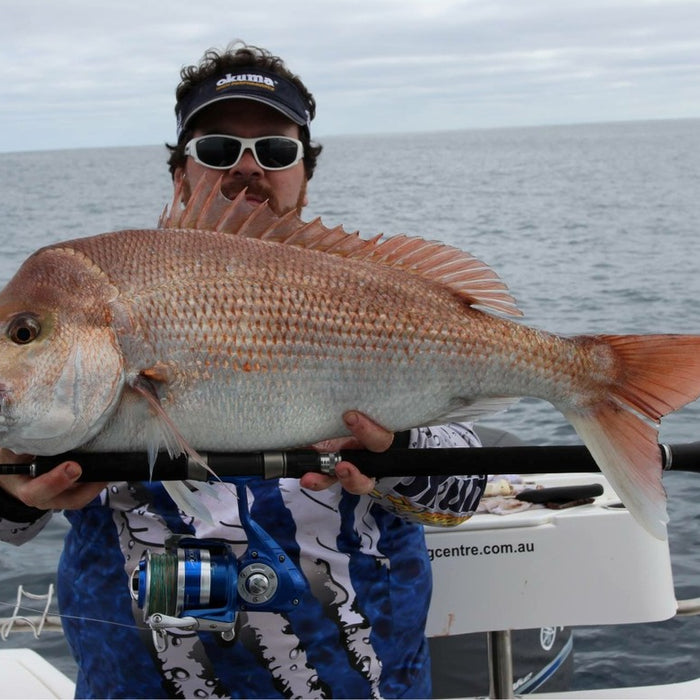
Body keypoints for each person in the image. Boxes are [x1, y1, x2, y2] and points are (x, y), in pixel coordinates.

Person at [0, 42, 485, 699]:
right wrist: (11, 486)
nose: (249, 167)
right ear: (180, 175)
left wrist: (397, 448)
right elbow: (10, 525)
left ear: (305, 174)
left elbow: (467, 487)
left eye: (277, 151)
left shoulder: (376, 295)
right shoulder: (93, 301)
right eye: (218, 149)